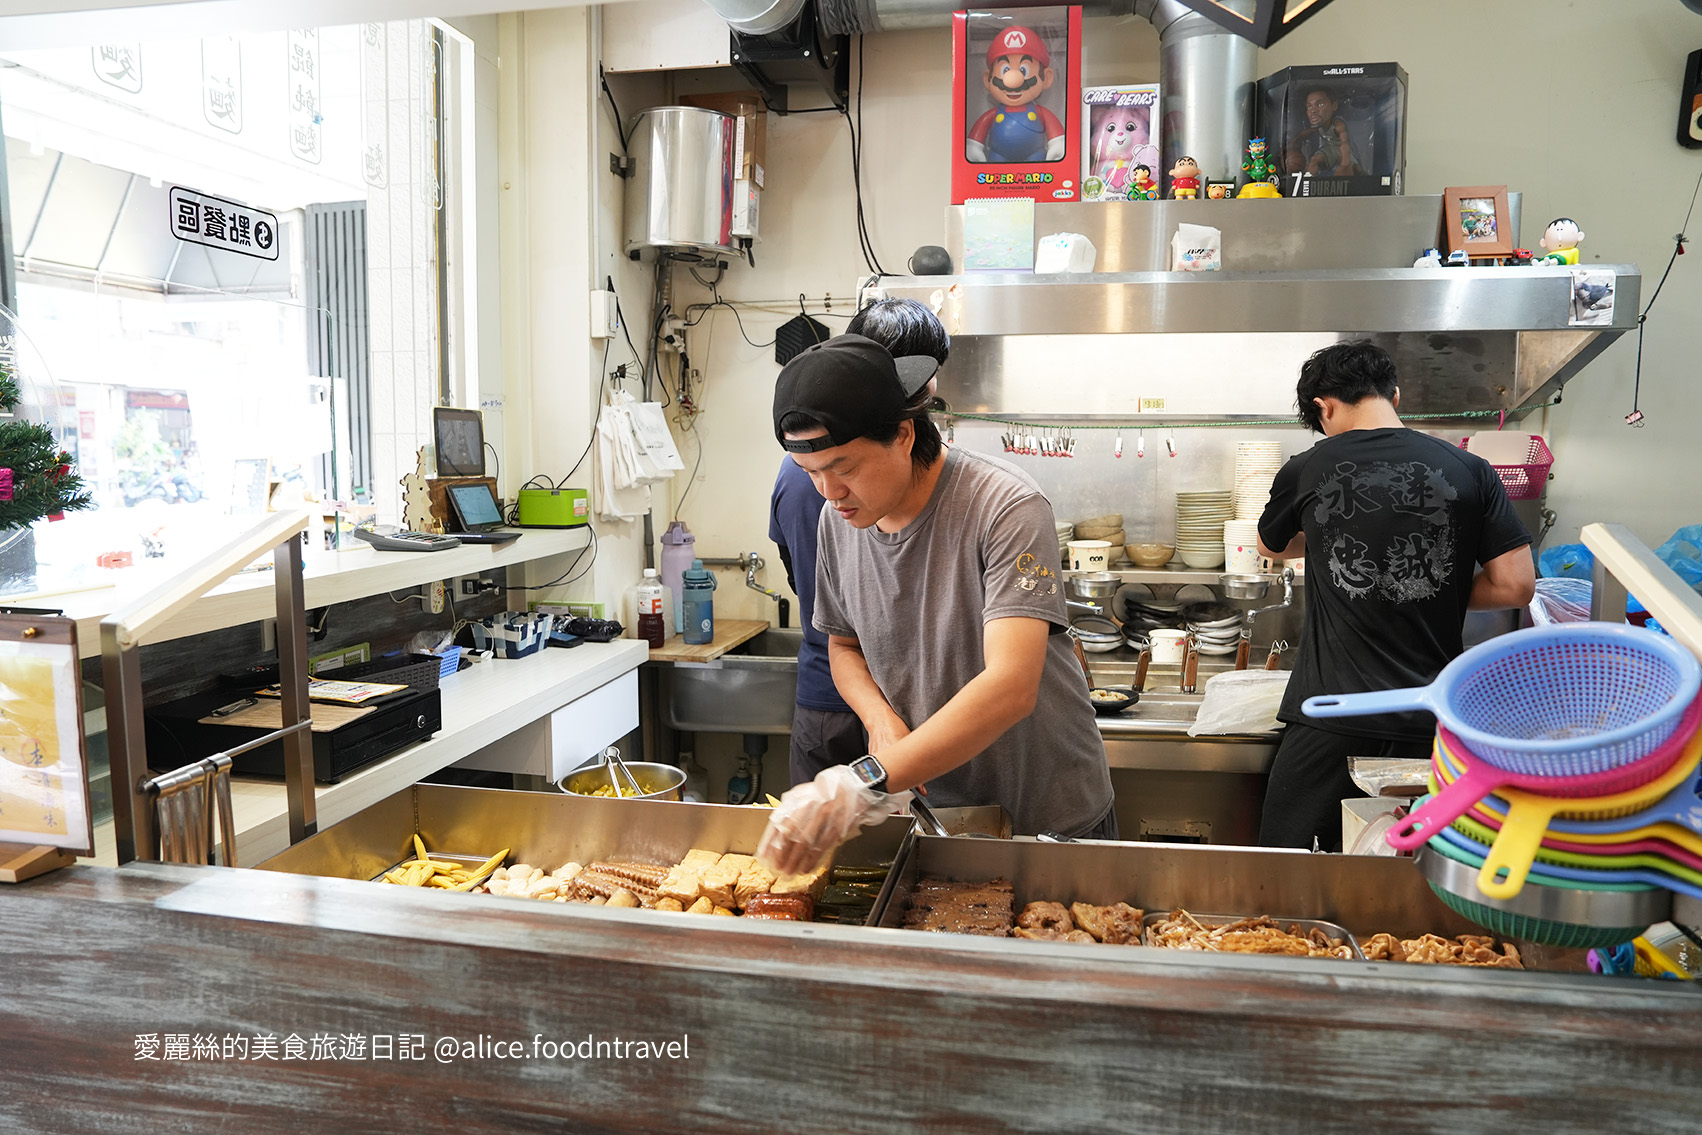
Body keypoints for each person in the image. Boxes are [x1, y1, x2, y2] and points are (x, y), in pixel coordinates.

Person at [756, 335, 1115, 874]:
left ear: (902, 434)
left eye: (844, 467)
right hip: (941, 816)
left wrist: (865, 780)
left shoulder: (1005, 506)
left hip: (1050, 818)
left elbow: (1012, 685)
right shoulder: (838, 521)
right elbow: (843, 645)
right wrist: (879, 721)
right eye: (811, 473)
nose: (829, 491)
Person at [1255, 340, 1535, 851]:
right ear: (1395, 396)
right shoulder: (1470, 469)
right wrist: (1438, 592)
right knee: (1417, 882)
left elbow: (1272, 547)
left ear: (1324, 406)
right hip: (1429, 719)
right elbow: (1516, 584)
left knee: (1290, 874)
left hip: (1329, 717)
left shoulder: (1308, 467)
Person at [768, 299, 951, 786]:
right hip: (852, 698)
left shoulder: (984, 497)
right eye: (918, 385)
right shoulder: (827, 488)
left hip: (892, 709)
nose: (831, 490)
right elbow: (839, 630)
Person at [966, 25, 1065, 164]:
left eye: (1024, 70)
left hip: (1036, 156)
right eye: (1005, 70)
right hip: (997, 156)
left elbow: (1055, 130)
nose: (1013, 81)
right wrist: (974, 146)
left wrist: (1057, 143)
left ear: (1046, 78)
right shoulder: (993, 114)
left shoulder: (1040, 113)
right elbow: (979, 130)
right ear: (987, 79)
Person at [1290, 87, 1363, 177]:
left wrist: (1345, 165)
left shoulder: (1338, 124)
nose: (1313, 110)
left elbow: (1345, 144)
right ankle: (1308, 180)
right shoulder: (1319, 126)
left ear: (1334, 105)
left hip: (1344, 150)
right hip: (1330, 149)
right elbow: (1306, 132)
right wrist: (1293, 143)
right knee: (1314, 160)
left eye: (1320, 104)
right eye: (1309, 106)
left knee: (1357, 169)